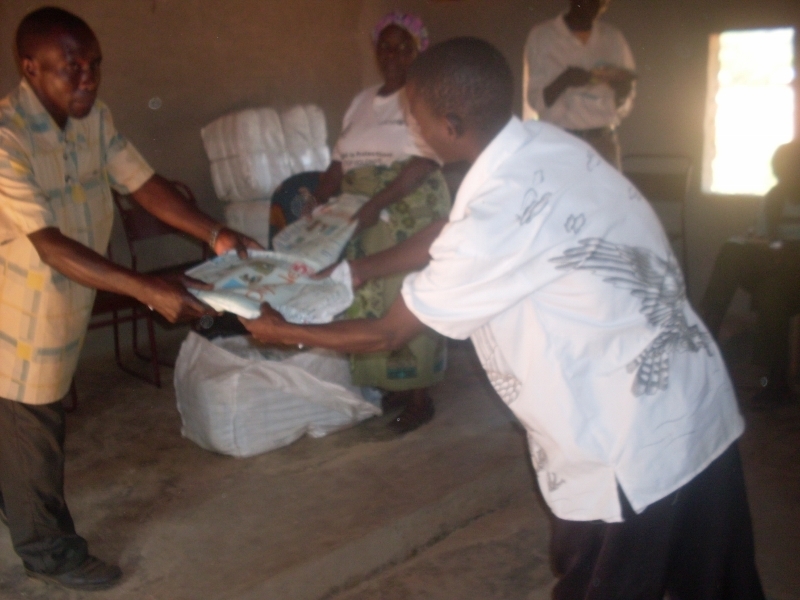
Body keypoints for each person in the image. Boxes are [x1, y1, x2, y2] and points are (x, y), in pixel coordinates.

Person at [242, 37, 765, 599]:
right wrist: (355, 271)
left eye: (414, 116)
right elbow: (447, 233)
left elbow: (389, 331)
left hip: (628, 448)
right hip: (694, 402)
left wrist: (281, 330)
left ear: (450, 125)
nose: (411, 127)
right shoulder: (543, 147)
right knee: (721, 584)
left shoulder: (496, 212)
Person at [0, 7, 259, 591]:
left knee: (23, 429)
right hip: (20, 310)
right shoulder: (7, 137)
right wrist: (148, 289)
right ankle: (48, 552)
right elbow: (48, 244)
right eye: (71, 67)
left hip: (67, 299)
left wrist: (214, 232)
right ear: (30, 68)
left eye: (95, 65)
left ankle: (21, 505)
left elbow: (141, 182)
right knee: (31, 427)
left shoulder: (92, 119)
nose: (88, 79)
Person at [308, 11, 451, 433]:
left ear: (419, 50)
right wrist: (318, 199)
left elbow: (426, 162)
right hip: (363, 211)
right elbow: (340, 161)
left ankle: (420, 398)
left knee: (408, 294)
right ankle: (392, 387)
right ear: (376, 51)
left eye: (404, 47)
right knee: (368, 295)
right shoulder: (361, 101)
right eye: (386, 47)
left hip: (407, 207)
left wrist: (378, 203)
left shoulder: (425, 97)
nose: (393, 55)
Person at [700, 140, 800, 407]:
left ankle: (773, 383)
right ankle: (706, 332)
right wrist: (764, 245)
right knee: (732, 250)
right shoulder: (774, 199)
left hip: (794, 275)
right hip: (777, 267)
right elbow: (765, 238)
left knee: (773, 291)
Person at [523, 0, 636, 169]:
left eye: (598, 2)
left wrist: (622, 92)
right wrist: (564, 81)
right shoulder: (542, 36)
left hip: (602, 141)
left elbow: (624, 102)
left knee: (604, 188)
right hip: (559, 142)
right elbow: (535, 99)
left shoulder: (613, 38)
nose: (592, 6)